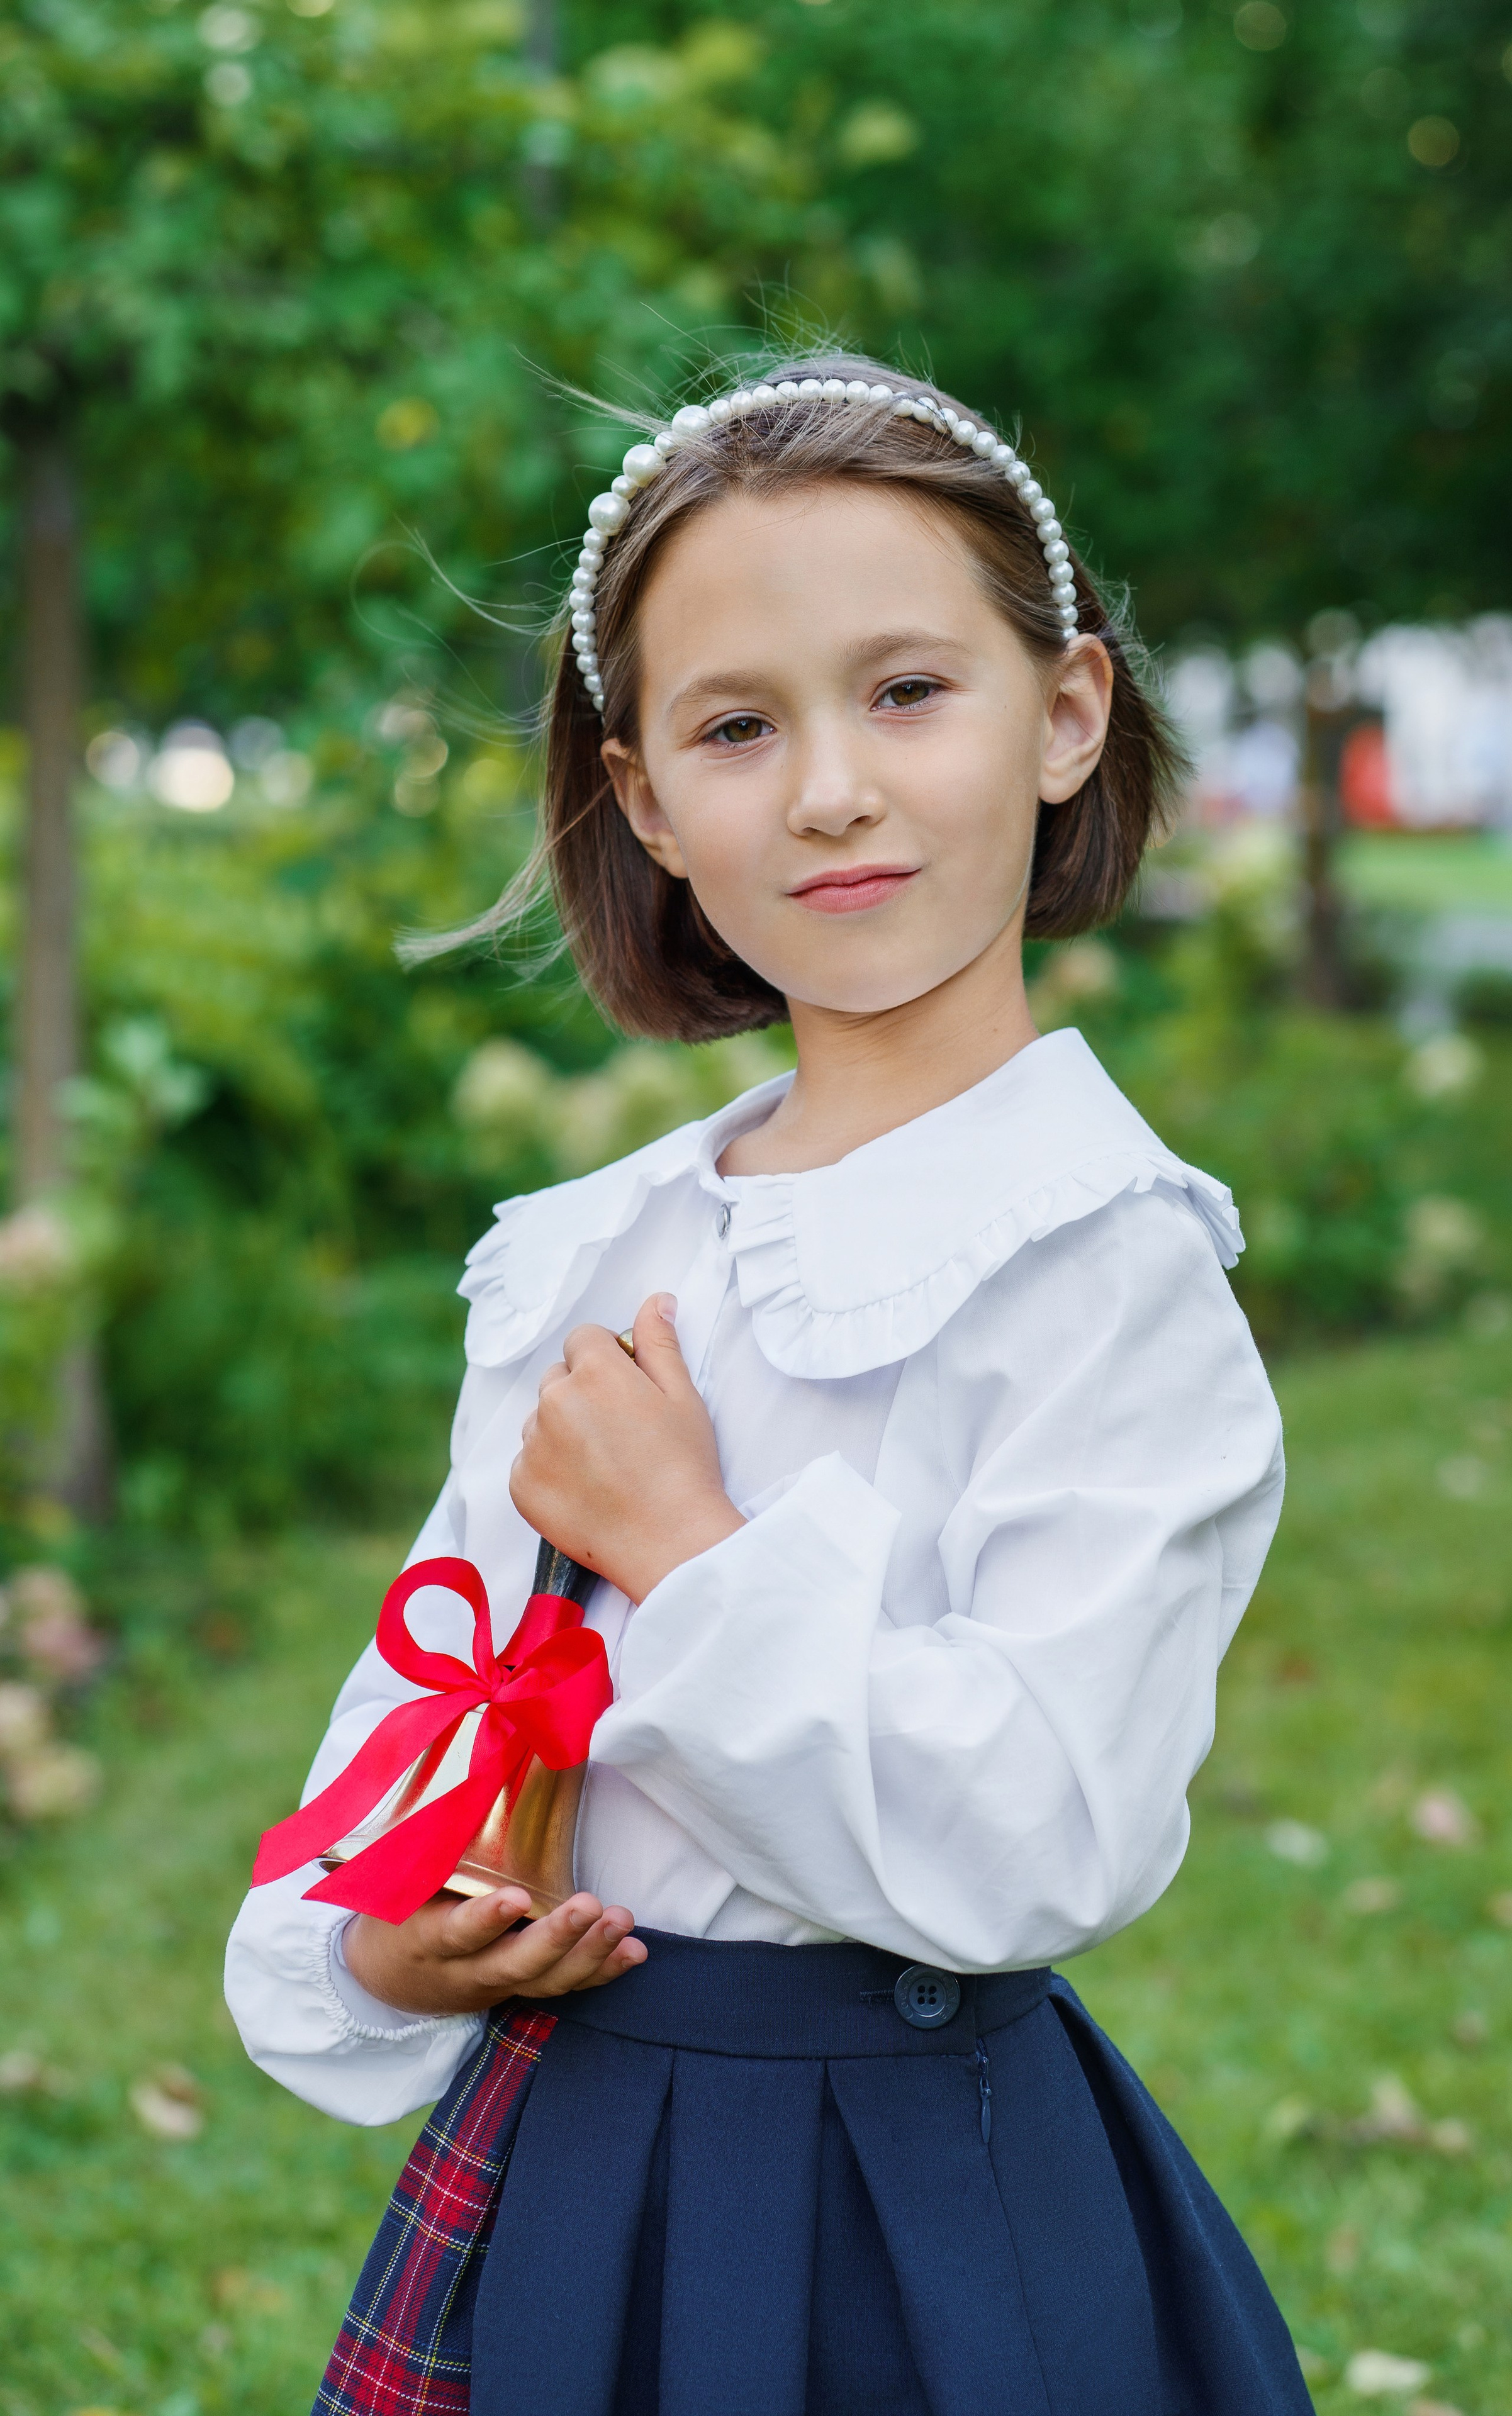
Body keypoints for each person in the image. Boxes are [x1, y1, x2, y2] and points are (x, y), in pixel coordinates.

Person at [225, 354, 1310, 2416]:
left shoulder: (1103, 1270)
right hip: (573, 2152)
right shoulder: (589, 1252)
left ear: (1066, 712)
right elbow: (432, 1696)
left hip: (904, 2189)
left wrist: (690, 1551)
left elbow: (1038, 1841)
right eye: (737, 726)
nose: (828, 789)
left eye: (906, 692)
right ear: (645, 798)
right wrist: (384, 1933)